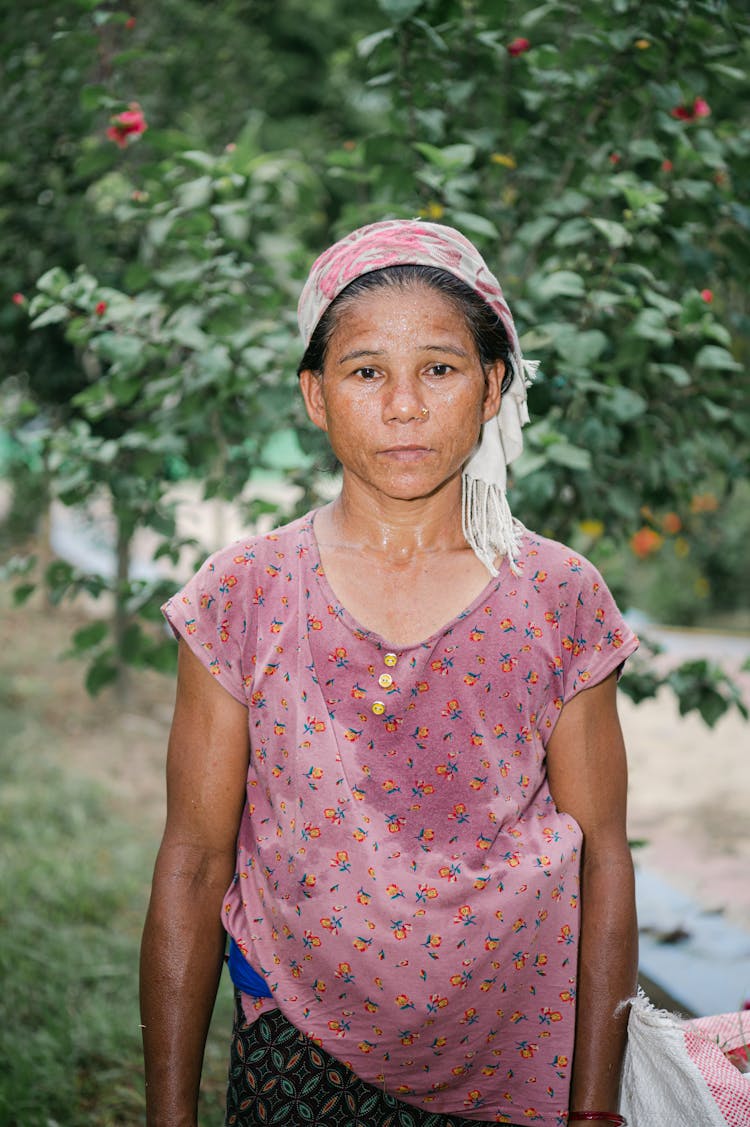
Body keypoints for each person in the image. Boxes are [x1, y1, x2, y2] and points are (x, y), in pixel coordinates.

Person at [140, 219, 639, 1127]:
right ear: (315, 395)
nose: (404, 403)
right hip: (297, 1048)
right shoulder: (243, 594)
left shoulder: (560, 594)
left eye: (439, 369)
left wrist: (596, 1107)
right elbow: (194, 857)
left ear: (492, 388)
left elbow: (603, 853)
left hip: (517, 1052)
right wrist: (169, 1115)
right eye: (367, 370)